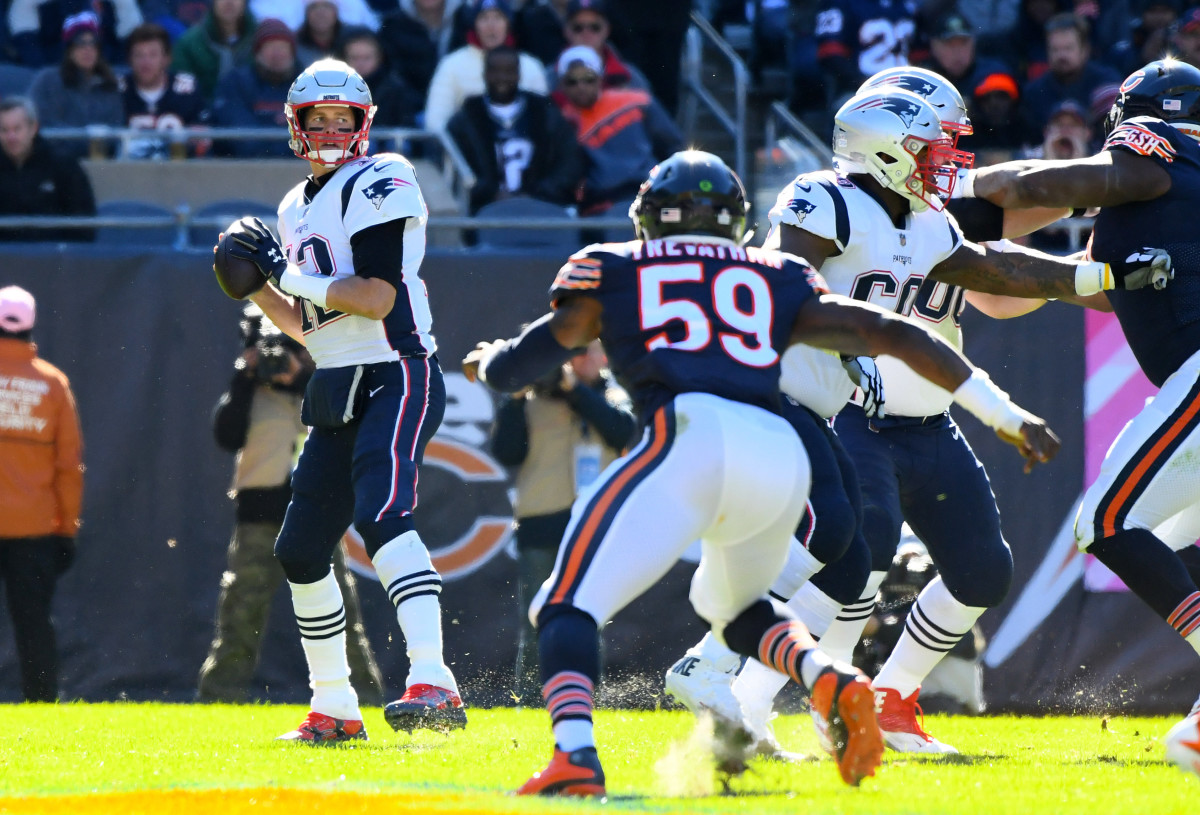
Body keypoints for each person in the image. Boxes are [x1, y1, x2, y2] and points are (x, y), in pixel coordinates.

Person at [461, 149, 1060, 795]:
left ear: (650, 220)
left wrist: (489, 362)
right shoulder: (780, 272)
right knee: (738, 605)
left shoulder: (613, 265)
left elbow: (528, 361)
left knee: (565, 601)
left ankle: (575, 754)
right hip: (777, 452)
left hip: (685, 435)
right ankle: (827, 674)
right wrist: (1003, 412)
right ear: (738, 222)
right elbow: (894, 332)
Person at [697, 84, 1171, 756]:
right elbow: (1012, 194)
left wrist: (1101, 276)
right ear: (889, 146)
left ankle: (888, 699)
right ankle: (771, 695)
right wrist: (1096, 187)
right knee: (857, 558)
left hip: (931, 418)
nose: (950, 160)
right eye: (938, 143)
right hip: (854, 411)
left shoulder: (932, 216)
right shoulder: (829, 201)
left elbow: (1001, 270)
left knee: (983, 570)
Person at [959, 57, 1200, 778]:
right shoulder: (1169, 197)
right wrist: (962, 261)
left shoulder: (1159, 147)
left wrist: (957, 192)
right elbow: (1088, 289)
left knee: (1105, 521)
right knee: (1179, 539)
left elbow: (1055, 184)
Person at [221, 58, 463, 744]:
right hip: (335, 381)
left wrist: (281, 271)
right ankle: (334, 705)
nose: (330, 130)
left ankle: (435, 681)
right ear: (295, 125)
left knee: (385, 514)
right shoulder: (294, 205)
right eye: (317, 119)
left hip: (397, 370)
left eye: (342, 118)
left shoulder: (384, 176)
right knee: (299, 549)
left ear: (364, 124)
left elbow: (375, 297)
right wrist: (258, 290)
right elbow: (309, 324)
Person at [197, 305, 385, 707]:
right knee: (240, 613)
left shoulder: (318, 383)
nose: (275, 360)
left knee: (342, 616)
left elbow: (342, 415)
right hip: (258, 518)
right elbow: (226, 434)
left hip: (315, 514)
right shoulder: (248, 391)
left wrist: (301, 376)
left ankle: (365, 699)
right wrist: (246, 376)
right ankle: (219, 698)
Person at [489, 340, 635, 700]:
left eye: (589, 350)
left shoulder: (612, 394)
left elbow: (622, 431)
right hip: (540, 522)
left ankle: (585, 698)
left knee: (586, 615)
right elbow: (506, 452)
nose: (581, 358)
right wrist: (516, 395)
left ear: (603, 355)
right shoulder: (531, 397)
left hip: (593, 524)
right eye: (573, 352)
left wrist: (574, 390)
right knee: (535, 620)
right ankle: (531, 699)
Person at [0, 285, 83, 702]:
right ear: (31, 325)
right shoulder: (52, 385)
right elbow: (68, 468)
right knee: (34, 625)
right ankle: (42, 705)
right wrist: (65, 530)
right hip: (33, 530)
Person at [446, 45, 582, 214]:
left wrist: (536, 194)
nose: (502, 78)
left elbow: (568, 163)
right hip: (484, 213)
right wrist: (490, 194)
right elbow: (457, 171)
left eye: (509, 71)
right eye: (495, 71)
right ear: (484, 73)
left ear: (518, 74)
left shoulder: (546, 113)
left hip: (543, 208)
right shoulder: (464, 121)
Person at [553, 45, 682, 213]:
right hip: (601, 202)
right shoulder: (561, 121)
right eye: (572, 81)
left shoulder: (637, 100)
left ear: (600, 78)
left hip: (650, 191)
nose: (581, 86)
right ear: (562, 85)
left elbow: (673, 145)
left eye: (588, 78)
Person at [422, 0, 547, 135]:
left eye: (498, 18)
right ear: (474, 24)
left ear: (508, 23)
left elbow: (544, 121)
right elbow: (435, 123)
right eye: (484, 18)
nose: (491, 26)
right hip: (465, 152)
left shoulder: (531, 66)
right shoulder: (451, 65)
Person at [0, 96, 96, 242]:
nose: (11, 137)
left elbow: (83, 223)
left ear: (33, 128)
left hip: (53, 258)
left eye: (17, 129)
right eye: (4, 130)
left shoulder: (63, 164)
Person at [28, 12, 124, 157]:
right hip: (56, 163)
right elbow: (40, 124)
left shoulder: (109, 85)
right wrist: (86, 141)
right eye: (80, 43)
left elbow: (116, 130)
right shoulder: (47, 80)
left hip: (101, 164)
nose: (88, 49)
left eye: (94, 43)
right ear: (68, 49)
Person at [1020, 13, 1120, 143]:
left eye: (1068, 48)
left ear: (1085, 50)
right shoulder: (1034, 92)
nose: (1061, 56)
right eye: (1055, 50)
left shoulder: (1106, 84)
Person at [211, 18, 301, 158]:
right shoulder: (235, 82)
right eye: (271, 47)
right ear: (257, 53)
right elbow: (240, 134)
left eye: (283, 47)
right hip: (245, 169)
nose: (277, 54)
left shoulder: (308, 84)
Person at [120, 22, 209, 160]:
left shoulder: (186, 88)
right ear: (129, 59)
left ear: (166, 59)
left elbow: (203, 140)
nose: (146, 61)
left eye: (153, 54)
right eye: (138, 55)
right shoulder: (119, 90)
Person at [543, 0, 650, 108]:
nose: (586, 33)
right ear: (566, 31)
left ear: (607, 29)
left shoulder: (631, 77)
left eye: (595, 27)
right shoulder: (549, 79)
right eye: (578, 28)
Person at [814, 0, 921, 107]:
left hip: (906, 89)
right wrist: (867, 84)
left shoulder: (908, 6)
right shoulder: (840, 4)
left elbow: (920, 55)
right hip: (857, 91)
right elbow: (831, 56)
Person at [170, 0, 258, 105]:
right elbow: (182, 91)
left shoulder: (262, 39)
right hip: (204, 116)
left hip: (254, 116)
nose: (229, 2)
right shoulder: (188, 43)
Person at [378, 0, 464, 106]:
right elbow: (392, 74)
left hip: (462, 103)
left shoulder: (466, 19)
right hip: (411, 107)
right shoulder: (393, 25)